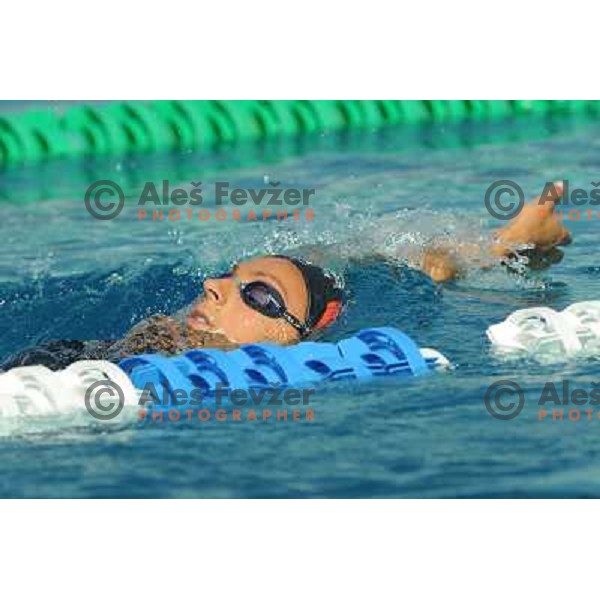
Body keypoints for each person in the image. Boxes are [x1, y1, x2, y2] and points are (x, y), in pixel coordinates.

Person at [0, 182, 572, 371]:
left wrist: (503, 252)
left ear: (292, 337)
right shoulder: (63, 354)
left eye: (257, 295)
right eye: (228, 277)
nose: (213, 287)